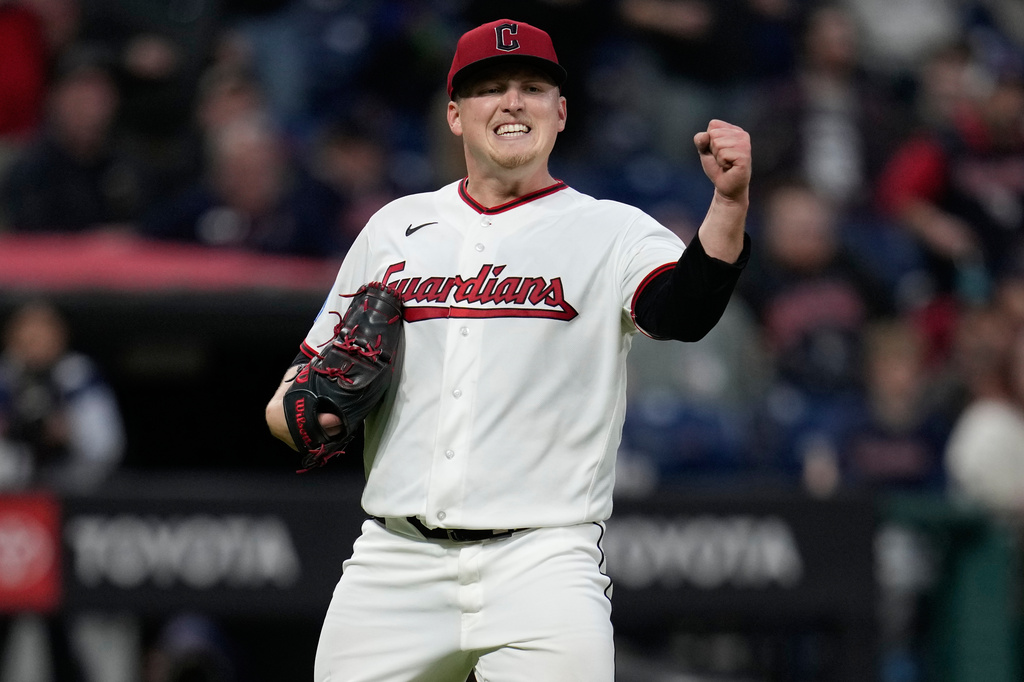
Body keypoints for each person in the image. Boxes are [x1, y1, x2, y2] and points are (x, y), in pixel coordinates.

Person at [265, 18, 750, 681]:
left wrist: (727, 203)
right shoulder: (396, 229)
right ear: (457, 115)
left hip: (542, 566)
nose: (513, 102)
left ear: (561, 112)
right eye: (490, 88)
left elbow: (683, 313)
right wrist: (304, 417)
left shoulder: (611, 230)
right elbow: (293, 395)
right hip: (393, 563)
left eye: (532, 87)